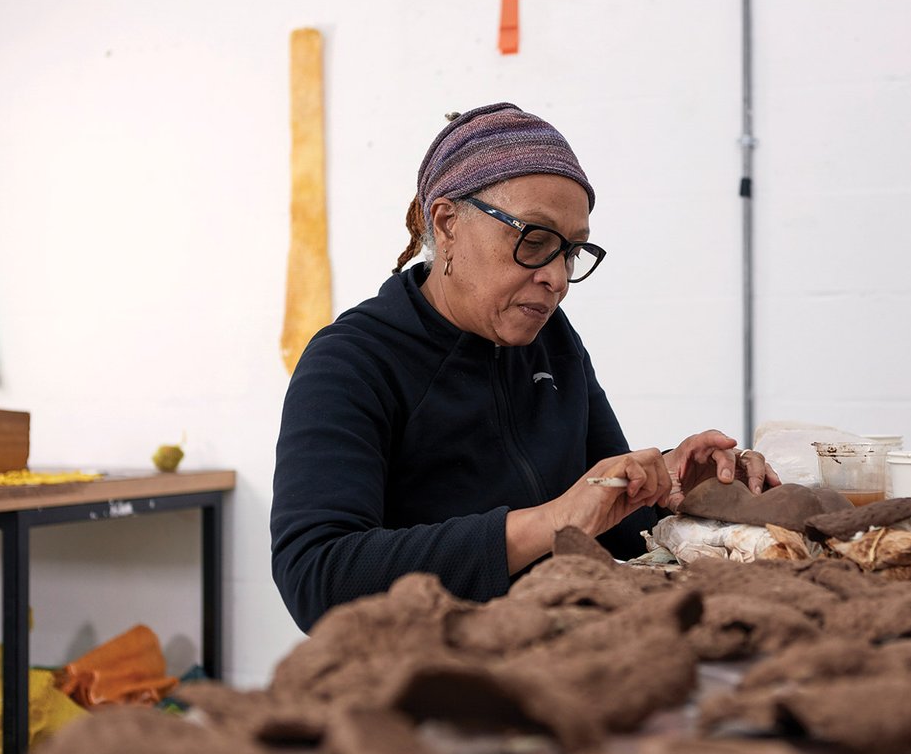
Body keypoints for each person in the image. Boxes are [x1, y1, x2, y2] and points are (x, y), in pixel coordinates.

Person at [271, 103, 779, 633]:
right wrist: (552, 521)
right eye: (534, 242)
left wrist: (668, 488)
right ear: (447, 225)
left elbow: (609, 529)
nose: (557, 278)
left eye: (572, 253)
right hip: (422, 675)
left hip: (558, 649)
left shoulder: (553, 343)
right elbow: (317, 578)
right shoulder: (351, 361)